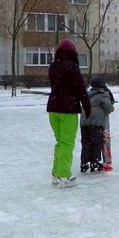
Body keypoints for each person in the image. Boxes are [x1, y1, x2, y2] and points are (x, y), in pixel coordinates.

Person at [47, 39, 90, 187]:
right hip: (68, 109)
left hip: (53, 108)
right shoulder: (72, 67)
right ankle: (64, 175)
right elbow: (80, 88)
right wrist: (86, 105)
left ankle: (56, 173)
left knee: (59, 142)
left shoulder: (53, 66)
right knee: (67, 143)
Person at [80, 77, 115, 173]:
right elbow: (108, 107)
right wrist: (112, 108)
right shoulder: (103, 94)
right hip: (96, 122)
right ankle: (95, 161)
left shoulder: (87, 94)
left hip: (84, 121)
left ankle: (84, 162)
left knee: (86, 143)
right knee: (96, 142)